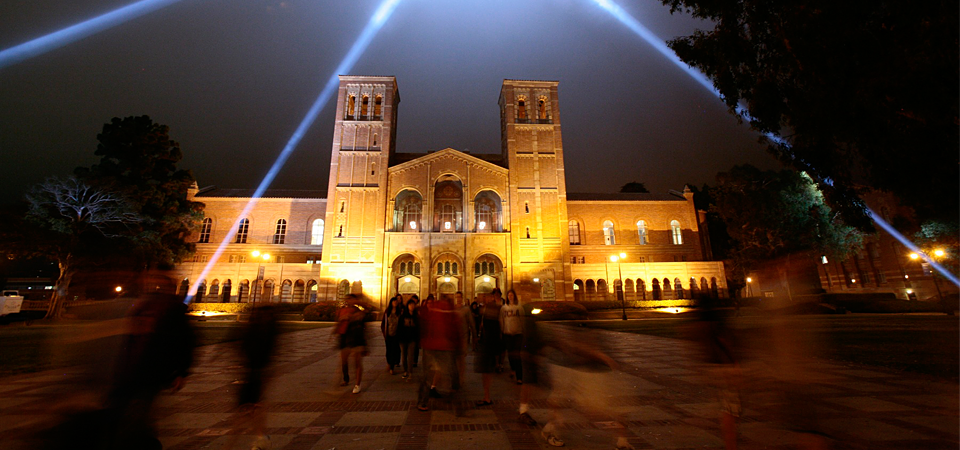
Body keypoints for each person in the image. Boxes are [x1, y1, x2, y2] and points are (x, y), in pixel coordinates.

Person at [106, 273, 196, 450]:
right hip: (127, 370)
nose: (157, 288)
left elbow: (186, 341)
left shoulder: (173, 311)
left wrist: (181, 371)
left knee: (139, 416)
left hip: (151, 372)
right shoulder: (142, 305)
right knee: (119, 414)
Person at [225, 304, 279, 450]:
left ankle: (255, 439)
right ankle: (261, 438)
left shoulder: (265, 333)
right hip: (252, 374)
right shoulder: (260, 331)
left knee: (246, 412)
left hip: (255, 375)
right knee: (252, 410)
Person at [416, 294, 462, 412]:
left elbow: (424, 324)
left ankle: (423, 401)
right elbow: (455, 329)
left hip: (431, 346)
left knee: (428, 375)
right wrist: (457, 346)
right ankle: (453, 397)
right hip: (444, 346)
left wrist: (423, 341)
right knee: (451, 372)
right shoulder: (450, 310)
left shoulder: (435, 308)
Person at [474, 290, 503, 406]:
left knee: (486, 371)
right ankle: (486, 396)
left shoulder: (494, 308)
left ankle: (487, 397)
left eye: (486, 296)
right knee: (486, 371)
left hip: (489, 343)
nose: (484, 298)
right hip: (486, 342)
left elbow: (498, 326)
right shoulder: (486, 309)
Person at [335, 295, 368, 394]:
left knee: (357, 362)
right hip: (345, 337)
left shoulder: (358, 311)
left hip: (356, 337)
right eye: (347, 299)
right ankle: (346, 378)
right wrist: (342, 319)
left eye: (351, 299)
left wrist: (358, 303)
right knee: (344, 361)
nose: (349, 301)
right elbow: (338, 322)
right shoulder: (342, 310)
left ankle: (357, 384)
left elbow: (368, 309)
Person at [500, 289, 524, 384]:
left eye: (512, 295)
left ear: (514, 296)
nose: (510, 297)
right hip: (507, 334)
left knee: (517, 355)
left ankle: (519, 377)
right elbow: (501, 320)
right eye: (509, 295)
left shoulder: (519, 308)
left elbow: (522, 320)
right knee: (510, 354)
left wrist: (523, 330)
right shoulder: (503, 308)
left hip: (518, 334)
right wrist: (502, 331)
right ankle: (513, 369)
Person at [454, 291, 476, 387]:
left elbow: (471, 323)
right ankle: (456, 377)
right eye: (457, 297)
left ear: (462, 298)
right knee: (454, 359)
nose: (458, 299)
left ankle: (461, 378)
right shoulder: (452, 309)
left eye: (459, 297)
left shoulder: (466, 310)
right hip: (454, 338)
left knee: (461, 359)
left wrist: (475, 336)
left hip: (463, 337)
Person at [397, 299, 420, 379]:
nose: (412, 306)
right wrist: (399, 338)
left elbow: (418, 328)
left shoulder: (416, 316)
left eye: (413, 305)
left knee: (410, 356)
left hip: (412, 339)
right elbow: (399, 327)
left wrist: (417, 339)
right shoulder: (403, 316)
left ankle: (410, 372)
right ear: (407, 306)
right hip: (403, 339)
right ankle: (405, 371)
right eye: (410, 305)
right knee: (404, 356)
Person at [380, 295, 402, 375]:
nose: (395, 303)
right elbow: (383, 323)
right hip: (388, 334)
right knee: (388, 350)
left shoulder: (399, 312)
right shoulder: (387, 312)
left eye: (396, 301)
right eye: (393, 301)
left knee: (394, 350)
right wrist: (384, 332)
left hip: (396, 334)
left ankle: (392, 367)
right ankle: (389, 363)